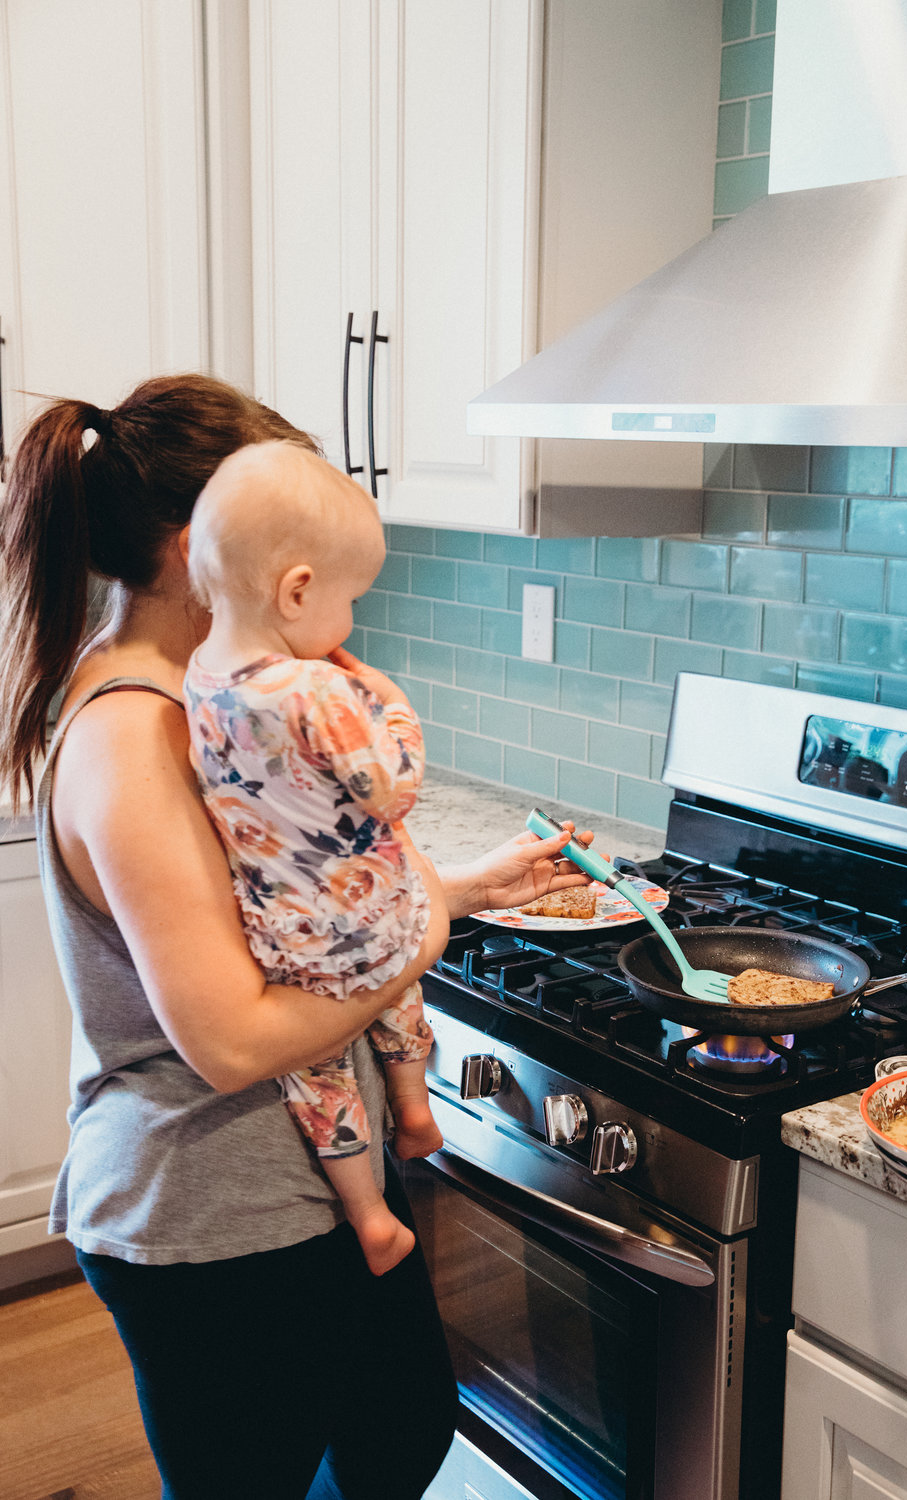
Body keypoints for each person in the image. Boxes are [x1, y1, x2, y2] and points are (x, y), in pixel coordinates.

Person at [0, 373, 594, 1500]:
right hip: (210, 1210)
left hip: (294, 1187)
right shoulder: (135, 742)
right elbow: (230, 1039)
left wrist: (466, 889)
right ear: (198, 553)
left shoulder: (226, 701)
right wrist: (419, 938)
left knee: (402, 1428)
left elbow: (302, 898)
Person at [184, 440, 442, 1277]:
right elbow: (390, 790)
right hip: (367, 915)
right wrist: (393, 708)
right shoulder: (317, 688)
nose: (352, 622)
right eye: (351, 599)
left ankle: (367, 1216)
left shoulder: (199, 677)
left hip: (282, 932)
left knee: (315, 1071)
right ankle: (413, 1109)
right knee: (396, 988)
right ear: (297, 589)